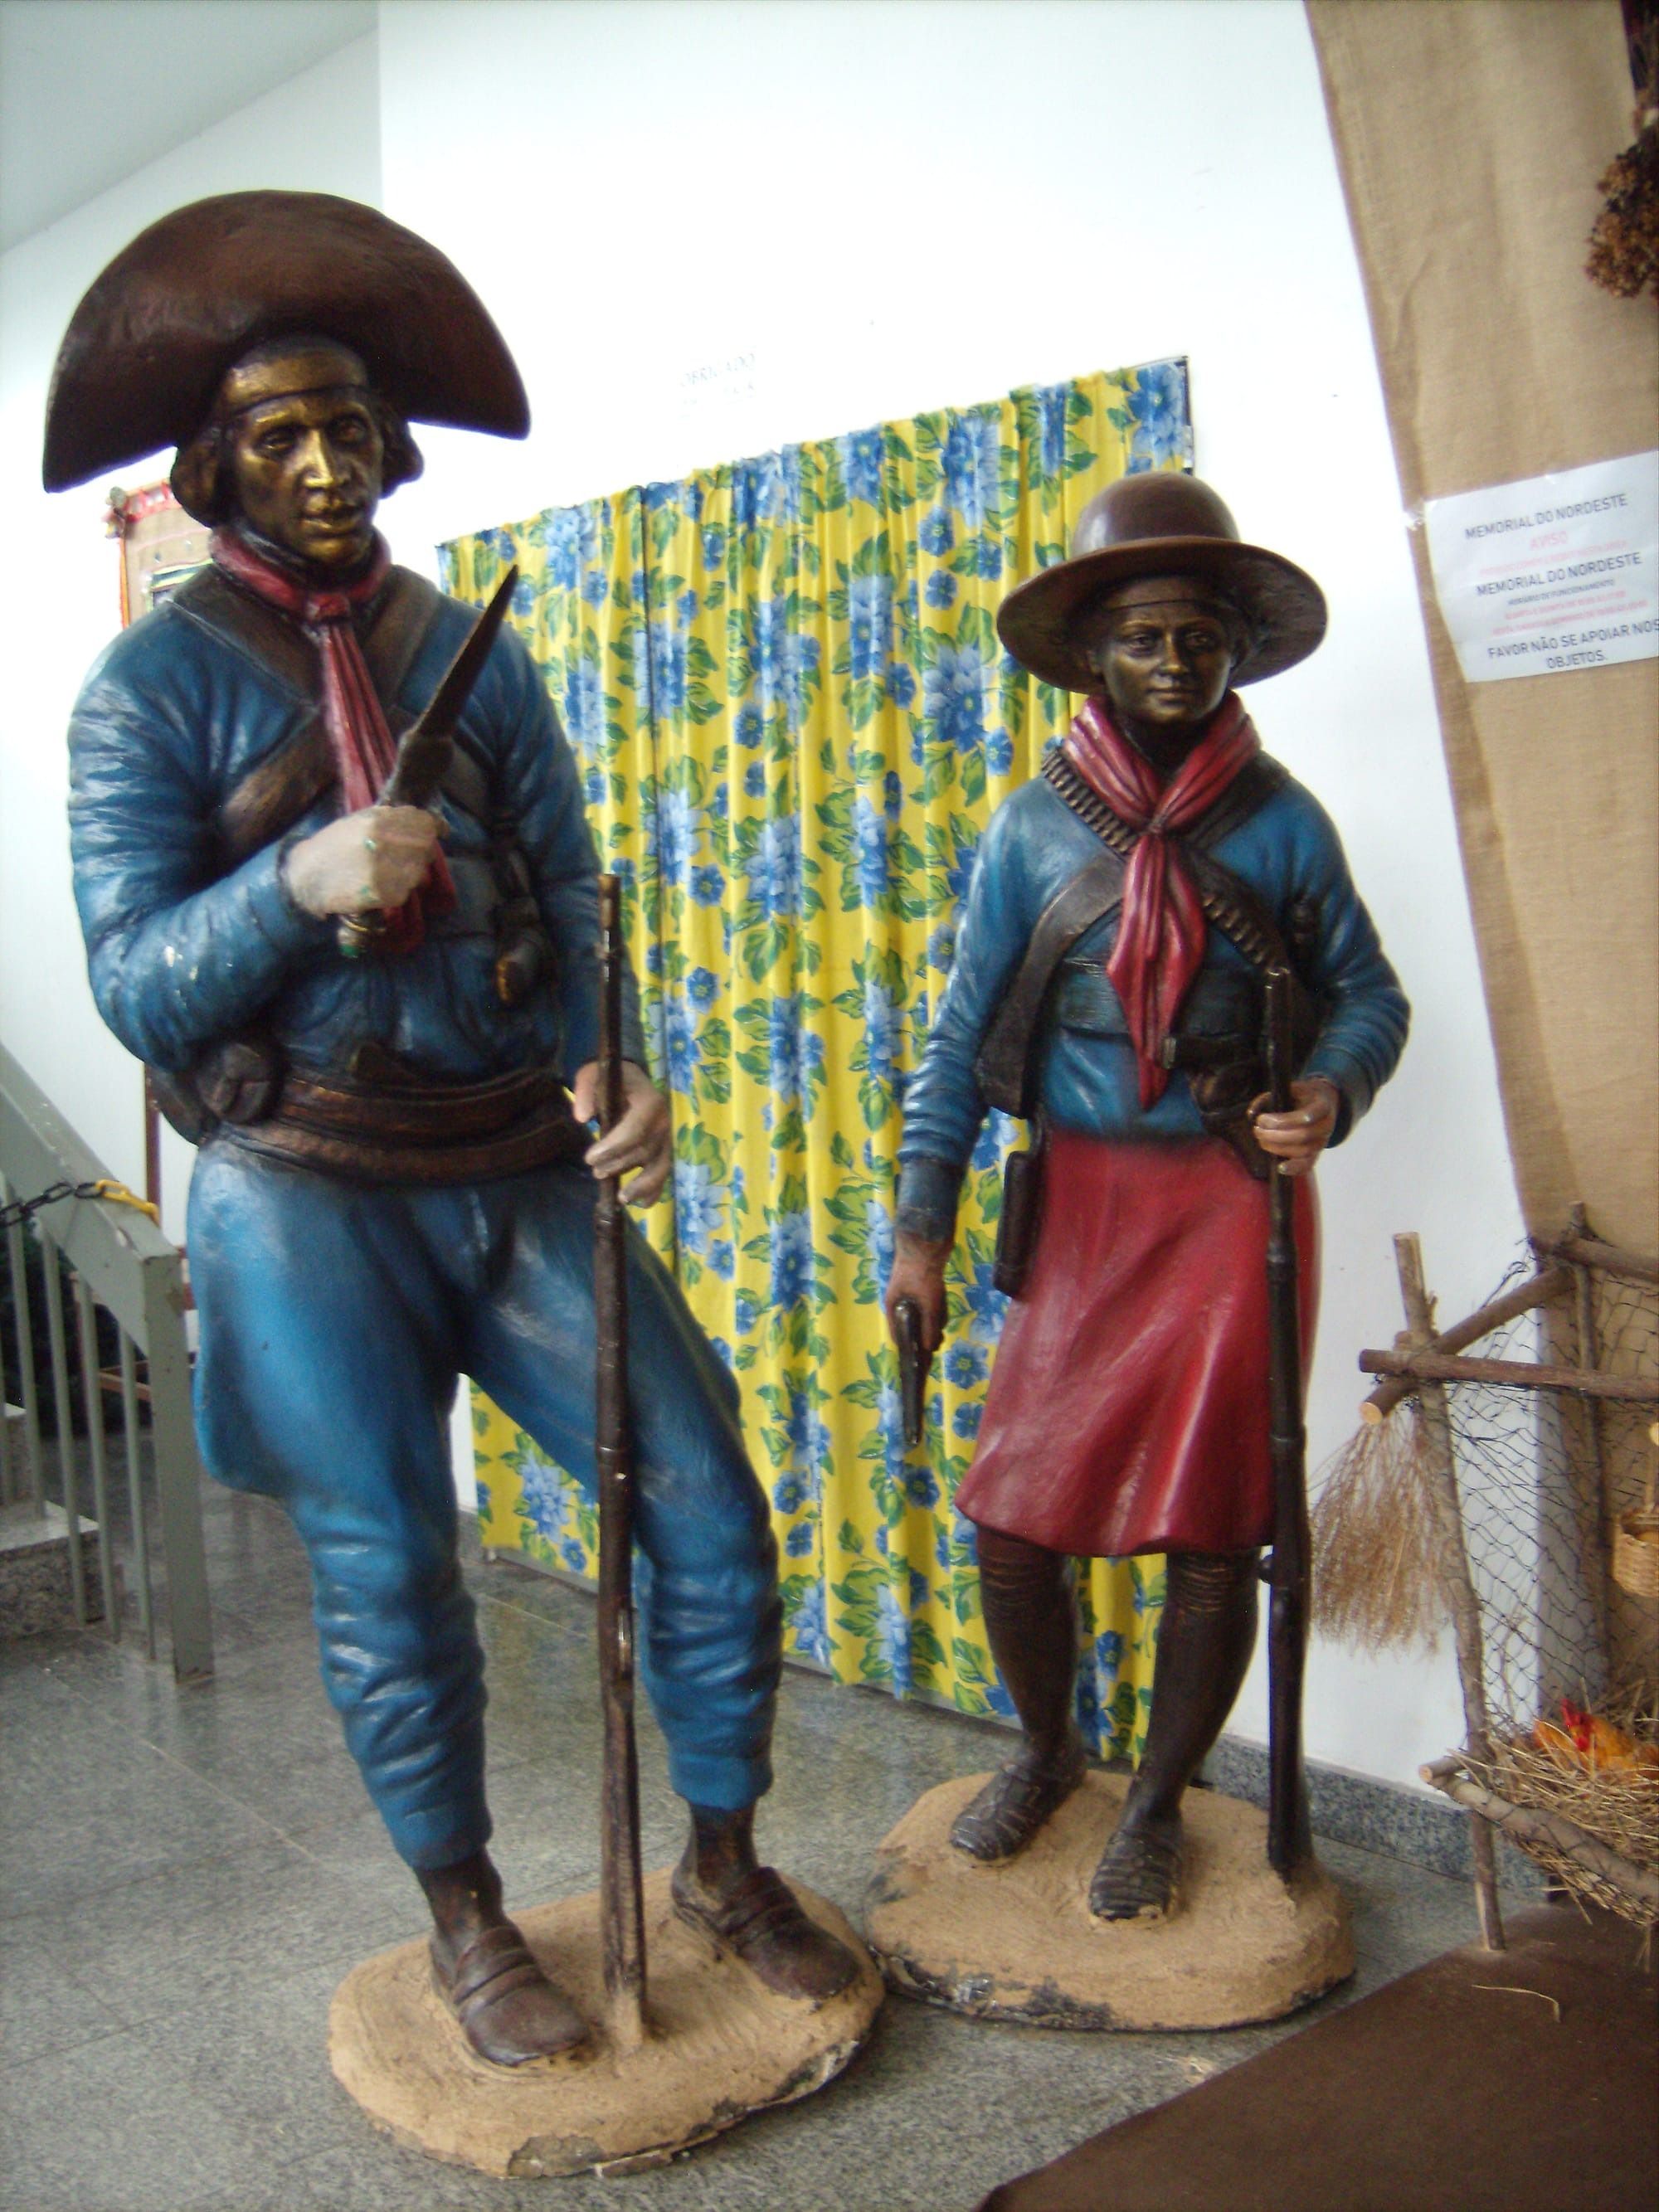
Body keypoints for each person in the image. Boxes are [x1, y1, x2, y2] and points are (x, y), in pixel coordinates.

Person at [48, 192, 855, 2064]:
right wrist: (293, 882)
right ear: (214, 470)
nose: (326, 465)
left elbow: (565, 888)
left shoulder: (466, 648)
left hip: (509, 1159)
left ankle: (722, 1858)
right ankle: (468, 1915)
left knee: (708, 1502)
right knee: (392, 1568)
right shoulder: (146, 691)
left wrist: (614, 1059)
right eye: (280, 436)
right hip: (304, 1190)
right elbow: (136, 984)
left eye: (349, 427)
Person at [885, 471, 1408, 1922]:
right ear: (1091, 655)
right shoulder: (1031, 829)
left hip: (1234, 1211)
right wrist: (921, 1232)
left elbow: (1369, 996)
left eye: (1200, 637)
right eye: (1144, 638)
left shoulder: (1284, 825)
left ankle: (1162, 1804)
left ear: (1236, 648)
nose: (1176, 663)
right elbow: (957, 1039)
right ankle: (1048, 1752)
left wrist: (1329, 1093)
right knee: (1013, 1521)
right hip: (1085, 1208)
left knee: (1213, 1532)